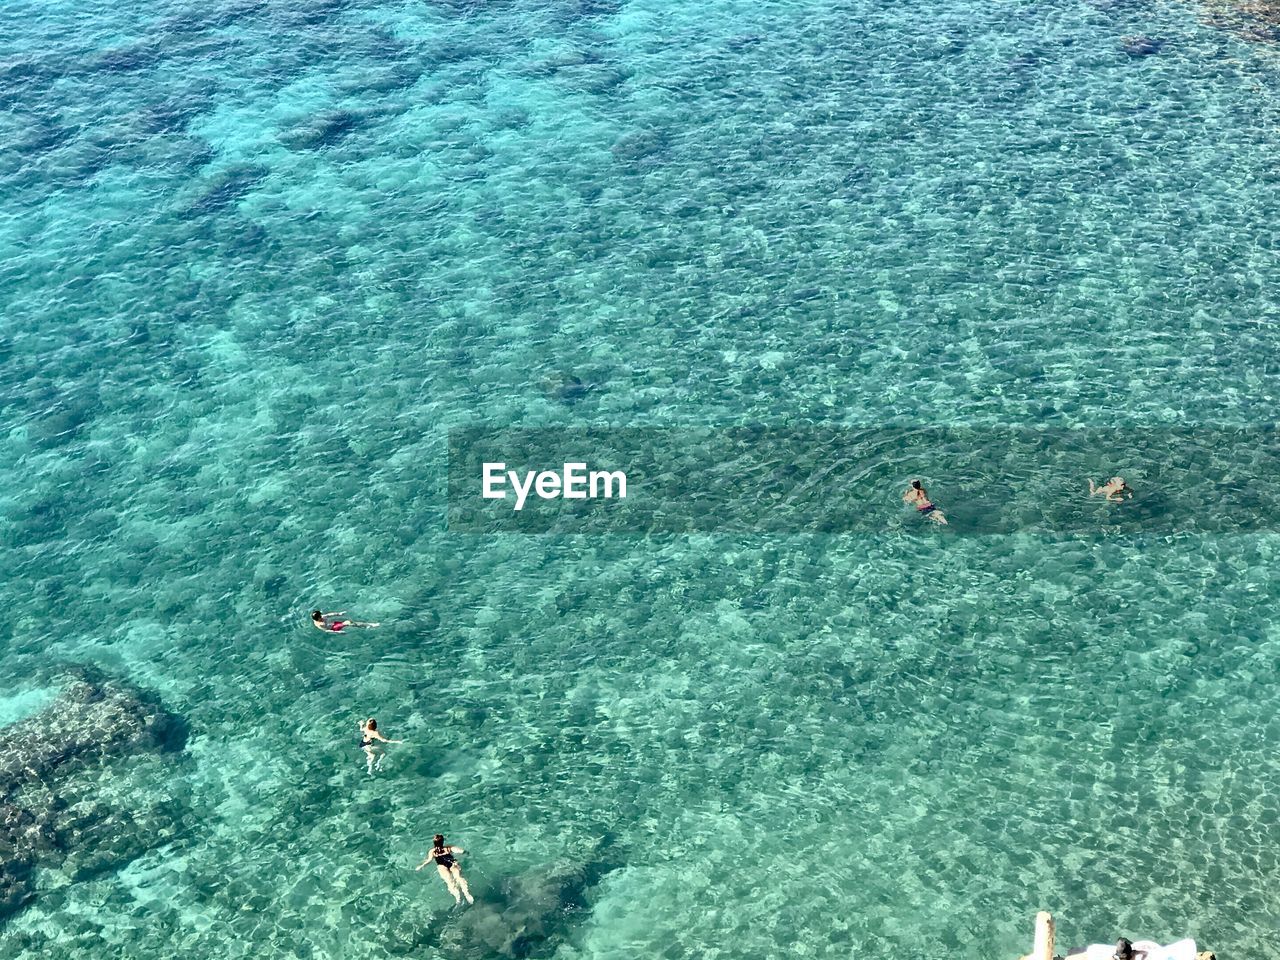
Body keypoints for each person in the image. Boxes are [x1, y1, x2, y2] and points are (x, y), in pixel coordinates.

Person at [416, 834, 474, 905]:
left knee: (449, 882)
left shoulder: (432, 852)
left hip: (442, 866)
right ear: (443, 842)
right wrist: (466, 852)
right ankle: (467, 893)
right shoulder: (448, 848)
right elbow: (460, 851)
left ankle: (458, 898)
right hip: (452, 863)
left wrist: (421, 865)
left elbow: (429, 860)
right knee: (459, 878)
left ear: (434, 843)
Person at [312, 609, 379, 632]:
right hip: (334, 628)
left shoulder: (321, 618)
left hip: (334, 624)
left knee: (351, 623)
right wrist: (337, 632)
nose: (322, 616)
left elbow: (330, 615)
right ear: (318, 618)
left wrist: (339, 613)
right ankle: (370, 625)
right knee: (349, 622)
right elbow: (327, 630)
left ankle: (365, 626)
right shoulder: (320, 624)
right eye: (320, 616)